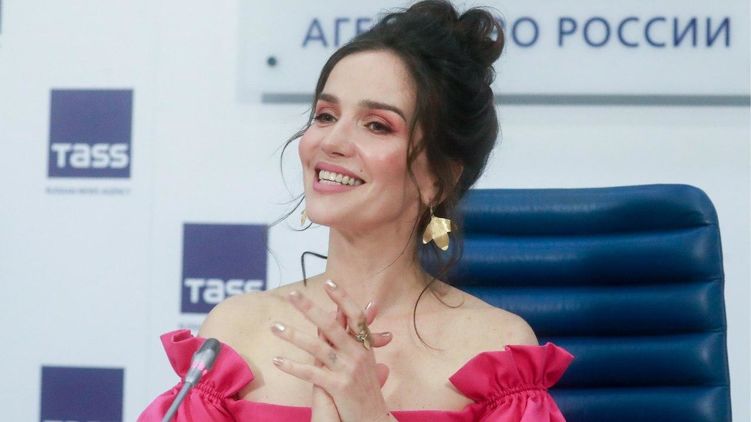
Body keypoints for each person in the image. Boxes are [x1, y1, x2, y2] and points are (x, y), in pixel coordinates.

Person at [140, 1, 573, 420]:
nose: (331, 142)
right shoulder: (233, 335)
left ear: (438, 179)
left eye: (377, 125)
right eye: (326, 116)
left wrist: (370, 413)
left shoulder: (496, 351)